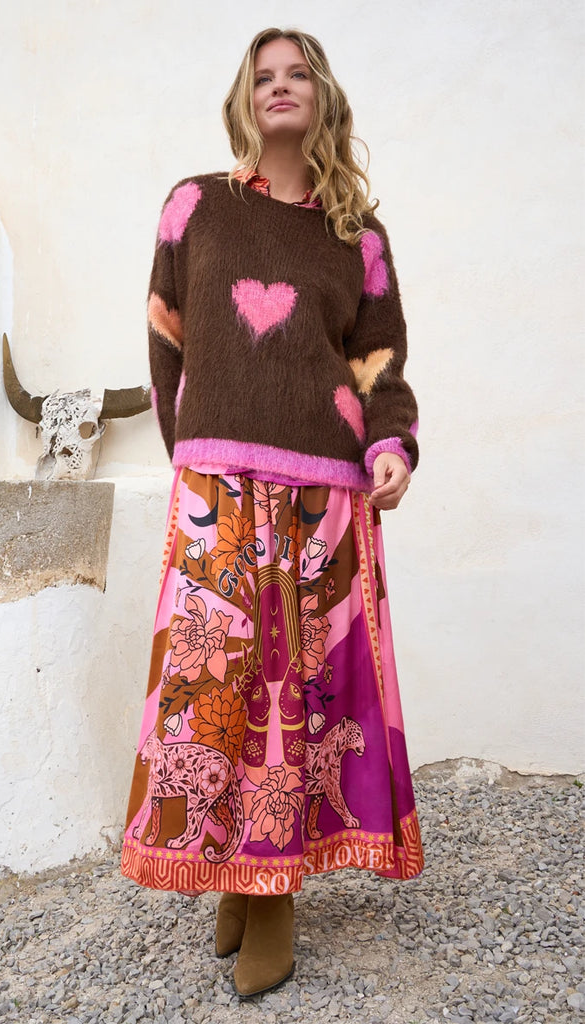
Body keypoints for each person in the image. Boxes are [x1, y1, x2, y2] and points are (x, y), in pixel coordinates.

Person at [121, 27, 423, 998]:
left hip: (322, 496)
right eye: (264, 76)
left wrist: (389, 444)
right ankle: (233, 872)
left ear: (322, 95)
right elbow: (167, 336)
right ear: (243, 98)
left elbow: (377, 362)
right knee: (213, 692)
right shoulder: (197, 204)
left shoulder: (357, 235)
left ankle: (273, 893)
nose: (280, 87)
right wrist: (193, 454)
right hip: (218, 489)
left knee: (295, 699)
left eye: (298, 74)